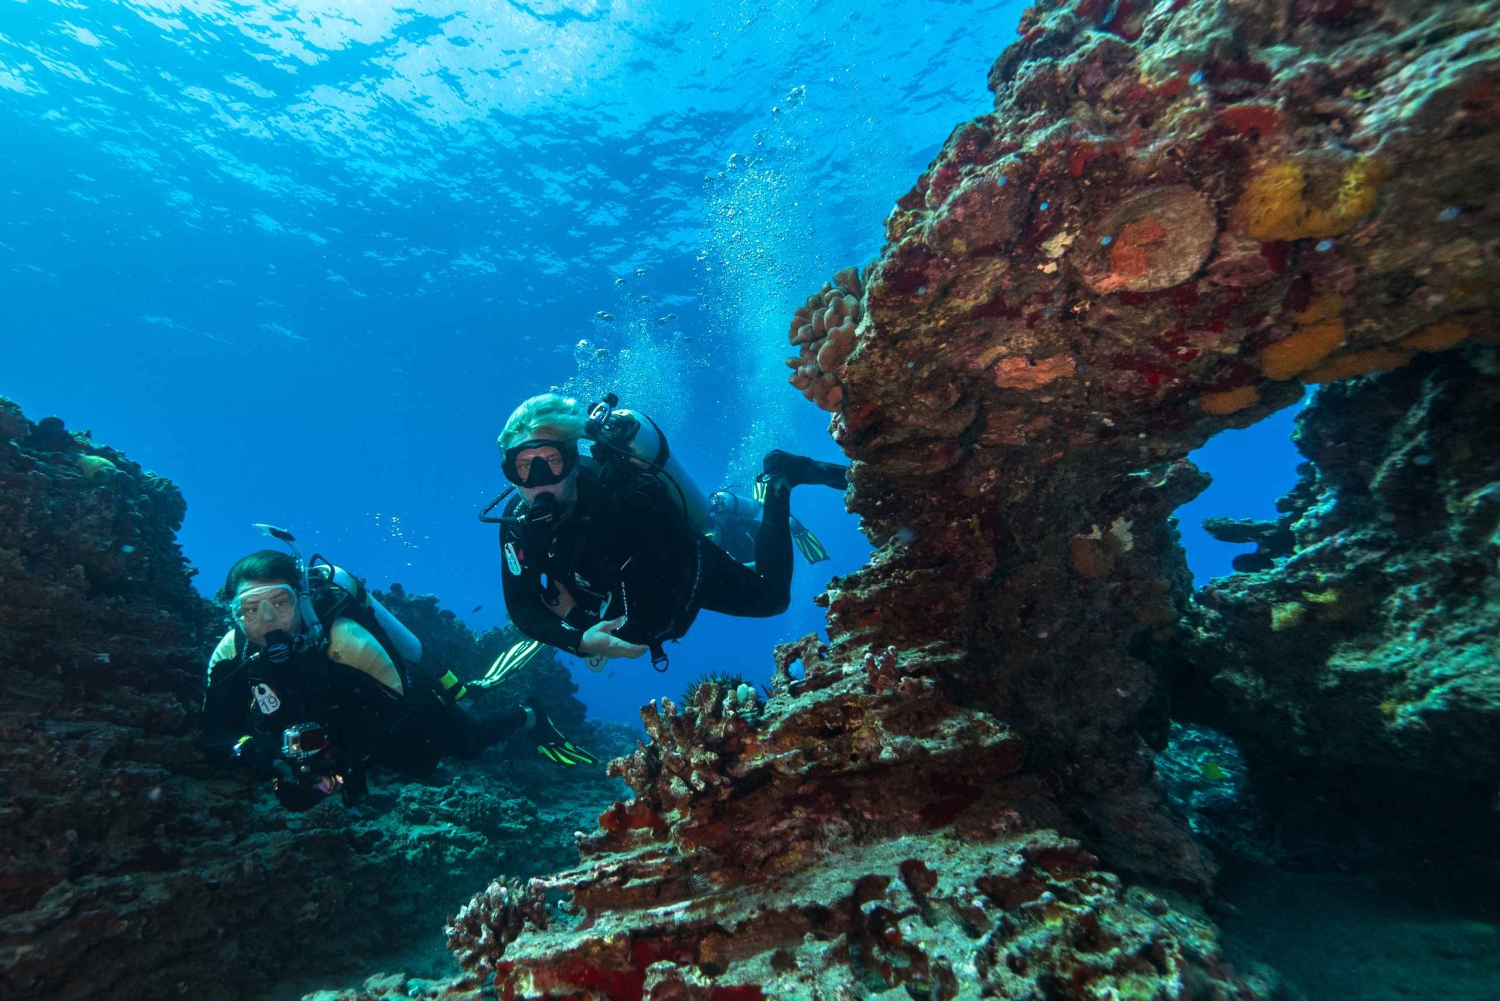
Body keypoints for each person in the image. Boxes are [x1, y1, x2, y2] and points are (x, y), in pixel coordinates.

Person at [201, 526, 596, 813]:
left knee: (460, 748)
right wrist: (268, 755)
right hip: (329, 722)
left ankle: (527, 713)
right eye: (250, 609)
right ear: (233, 613)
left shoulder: (347, 642)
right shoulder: (231, 654)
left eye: (280, 603)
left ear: (302, 600)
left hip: (402, 701)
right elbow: (214, 732)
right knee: (294, 797)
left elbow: (398, 709)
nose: (267, 620)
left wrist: (343, 763)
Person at [490, 393, 847, 671]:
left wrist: (575, 623)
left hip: (684, 569)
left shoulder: (627, 504)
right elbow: (521, 606)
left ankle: (778, 478)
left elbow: (645, 629)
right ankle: (725, 509)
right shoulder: (517, 522)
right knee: (722, 531)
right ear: (509, 473)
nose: (539, 483)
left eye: (551, 461)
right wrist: (582, 636)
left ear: (570, 460)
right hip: (616, 587)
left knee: (773, 598)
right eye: (523, 468)